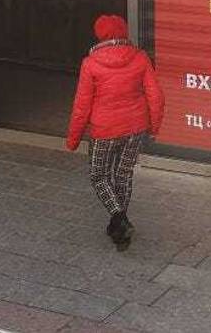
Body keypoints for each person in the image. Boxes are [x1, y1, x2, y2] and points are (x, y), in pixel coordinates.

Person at [65, 14, 164, 251]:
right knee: (124, 174)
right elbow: (156, 95)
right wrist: (154, 126)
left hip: (104, 130)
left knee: (99, 176)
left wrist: (73, 139)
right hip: (135, 128)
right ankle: (120, 228)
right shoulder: (140, 57)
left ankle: (119, 218)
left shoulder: (90, 63)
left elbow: (82, 106)